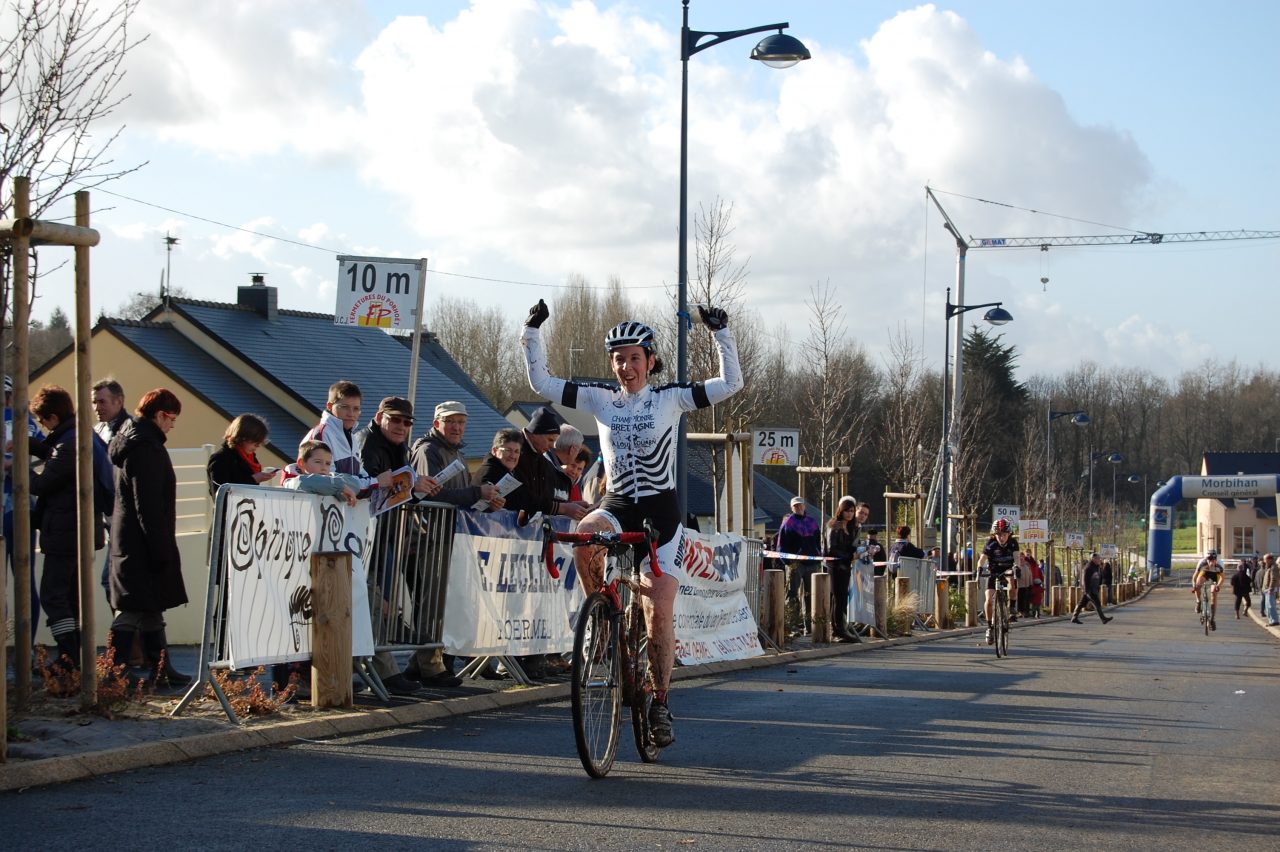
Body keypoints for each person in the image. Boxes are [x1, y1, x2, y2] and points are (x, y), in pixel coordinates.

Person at [521, 298, 742, 748]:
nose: (626, 366)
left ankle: (660, 700)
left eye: (634, 359)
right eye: (619, 359)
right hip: (618, 503)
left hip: (661, 515)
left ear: (650, 361)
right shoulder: (600, 399)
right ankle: (599, 615)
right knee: (584, 535)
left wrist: (722, 334)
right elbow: (540, 381)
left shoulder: (671, 398)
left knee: (657, 609)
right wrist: (532, 331)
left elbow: (730, 383)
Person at [357, 396, 443, 695]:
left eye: (406, 423)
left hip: (386, 533)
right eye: (395, 420)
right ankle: (382, 669)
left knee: (383, 602)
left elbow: (399, 488)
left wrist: (419, 488)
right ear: (380, 417)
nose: (401, 427)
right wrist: (410, 485)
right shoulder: (367, 444)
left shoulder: (396, 446)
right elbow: (371, 487)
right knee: (375, 601)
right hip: (366, 534)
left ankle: (384, 667)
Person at [107, 388, 191, 687]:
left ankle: (160, 669)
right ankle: (113, 671)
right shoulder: (146, 447)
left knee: (151, 605)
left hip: (130, 540)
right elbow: (149, 504)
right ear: (159, 415)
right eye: (171, 419)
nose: (172, 425)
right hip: (143, 544)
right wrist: (161, 549)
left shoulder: (131, 441)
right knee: (132, 608)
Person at [28, 385, 110, 672]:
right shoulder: (79, 436)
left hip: (65, 533)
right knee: (71, 597)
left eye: (42, 420)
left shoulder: (71, 444)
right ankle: (74, 660)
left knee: (53, 594)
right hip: (77, 532)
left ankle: (69, 658)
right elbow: (55, 451)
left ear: (52, 417)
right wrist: (30, 445)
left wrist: (15, 467)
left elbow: (42, 483)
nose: (41, 426)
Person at [299, 380, 392, 491]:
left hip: (341, 507)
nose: (351, 413)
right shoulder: (322, 434)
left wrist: (375, 482)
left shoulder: (351, 436)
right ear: (329, 406)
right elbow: (329, 481)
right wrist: (376, 482)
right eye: (344, 407)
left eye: (356, 409)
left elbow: (360, 475)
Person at [409, 400, 502, 510]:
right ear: (436, 424)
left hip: (453, 525)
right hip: (430, 526)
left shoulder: (459, 455)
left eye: (461, 422)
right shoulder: (427, 451)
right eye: (449, 421)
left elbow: (464, 496)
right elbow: (432, 495)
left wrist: (488, 504)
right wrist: (478, 493)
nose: (456, 427)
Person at [4, 374, 41, 644]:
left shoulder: (19, 419)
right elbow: (42, 452)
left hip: (15, 507)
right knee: (25, 582)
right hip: (22, 507)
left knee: (22, 582)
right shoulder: (26, 419)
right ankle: (24, 649)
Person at [91, 379, 129, 603]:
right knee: (111, 580)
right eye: (94, 402)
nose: (97, 407)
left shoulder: (126, 430)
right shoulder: (99, 428)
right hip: (107, 512)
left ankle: (123, 635)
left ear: (119, 401)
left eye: (102, 402)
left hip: (120, 513)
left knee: (111, 580)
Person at [777, 496, 822, 632]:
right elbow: (781, 544)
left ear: (804, 506)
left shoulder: (812, 522)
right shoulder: (788, 523)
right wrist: (788, 562)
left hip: (812, 563)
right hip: (795, 564)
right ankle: (792, 624)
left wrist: (818, 555)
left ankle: (809, 625)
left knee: (810, 594)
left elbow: (818, 541)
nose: (798, 507)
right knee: (792, 594)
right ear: (792, 508)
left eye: (800, 505)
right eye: (795, 506)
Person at [206, 414, 278, 496]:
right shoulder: (220, 459)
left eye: (259, 442)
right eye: (255, 442)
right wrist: (253, 479)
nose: (258, 446)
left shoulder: (249, 457)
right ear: (241, 437)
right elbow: (220, 494)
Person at [825, 495, 861, 642]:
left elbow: (851, 547)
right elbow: (830, 549)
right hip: (835, 566)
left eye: (852, 511)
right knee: (837, 598)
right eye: (847, 510)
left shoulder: (851, 527)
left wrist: (859, 550)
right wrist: (849, 556)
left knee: (842, 598)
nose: (849, 513)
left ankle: (841, 628)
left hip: (845, 566)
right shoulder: (834, 526)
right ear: (841, 510)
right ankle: (836, 630)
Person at [982, 518, 1020, 644]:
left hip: (1007, 568)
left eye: (1004, 534)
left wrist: (1017, 567)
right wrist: (978, 568)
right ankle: (989, 627)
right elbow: (982, 559)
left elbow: (1017, 558)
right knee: (988, 599)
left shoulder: (1013, 543)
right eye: (998, 534)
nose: (1001, 537)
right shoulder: (991, 543)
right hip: (994, 570)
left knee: (1011, 582)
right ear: (994, 534)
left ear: (1009, 534)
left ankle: (1012, 608)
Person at [1071, 552, 1113, 625]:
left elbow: (1098, 577)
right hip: (1089, 589)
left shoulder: (1096, 567)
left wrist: (1098, 586)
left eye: (1099, 558)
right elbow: (1085, 579)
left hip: (1093, 588)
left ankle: (1074, 617)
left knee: (1081, 603)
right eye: (1098, 558)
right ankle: (1103, 619)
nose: (1099, 560)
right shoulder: (1088, 568)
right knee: (1097, 603)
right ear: (1093, 559)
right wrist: (1087, 590)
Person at [1191, 550, 1225, 630]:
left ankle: (1212, 619)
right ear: (1206, 559)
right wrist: (1194, 586)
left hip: (1215, 576)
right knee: (1198, 584)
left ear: (1216, 560)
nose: (1211, 562)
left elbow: (1222, 578)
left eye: (1213, 560)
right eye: (1209, 560)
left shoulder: (1220, 565)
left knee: (1214, 593)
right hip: (1204, 573)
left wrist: (1218, 586)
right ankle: (1198, 601)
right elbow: (1194, 577)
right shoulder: (1202, 563)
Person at [1259, 553, 1279, 627]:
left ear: (1269, 559)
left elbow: (1273, 579)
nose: (1264, 561)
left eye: (1265, 559)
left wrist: (1270, 588)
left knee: (1271, 605)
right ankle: (1271, 620)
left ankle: (1274, 620)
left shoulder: (1273, 567)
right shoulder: (1269, 567)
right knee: (1268, 606)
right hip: (1267, 589)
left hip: (1270, 589)